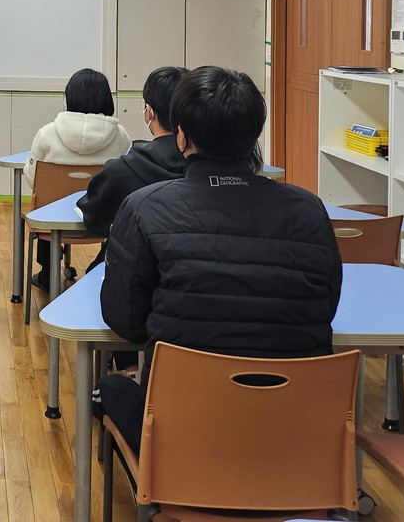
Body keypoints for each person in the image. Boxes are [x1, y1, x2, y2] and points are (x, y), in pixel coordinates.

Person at [95, 66, 342, 454]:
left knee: (108, 389)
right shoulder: (310, 211)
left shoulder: (145, 208)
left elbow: (125, 321)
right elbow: (327, 305)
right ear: (254, 134)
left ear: (181, 135)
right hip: (295, 436)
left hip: (184, 433)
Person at [24, 68, 131, 290]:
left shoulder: (47, 133)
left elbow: (33, 179)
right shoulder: (120, 135)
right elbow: (126, 178)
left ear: (69, 98)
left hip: (52, 221)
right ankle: (100, 270)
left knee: (44, 205)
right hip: (103, 219)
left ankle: (47, 273)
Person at [77, 66, 189, 271]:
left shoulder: (123, 169)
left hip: (134, 271)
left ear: (149, 112)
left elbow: (94, 217)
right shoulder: (212, 172)